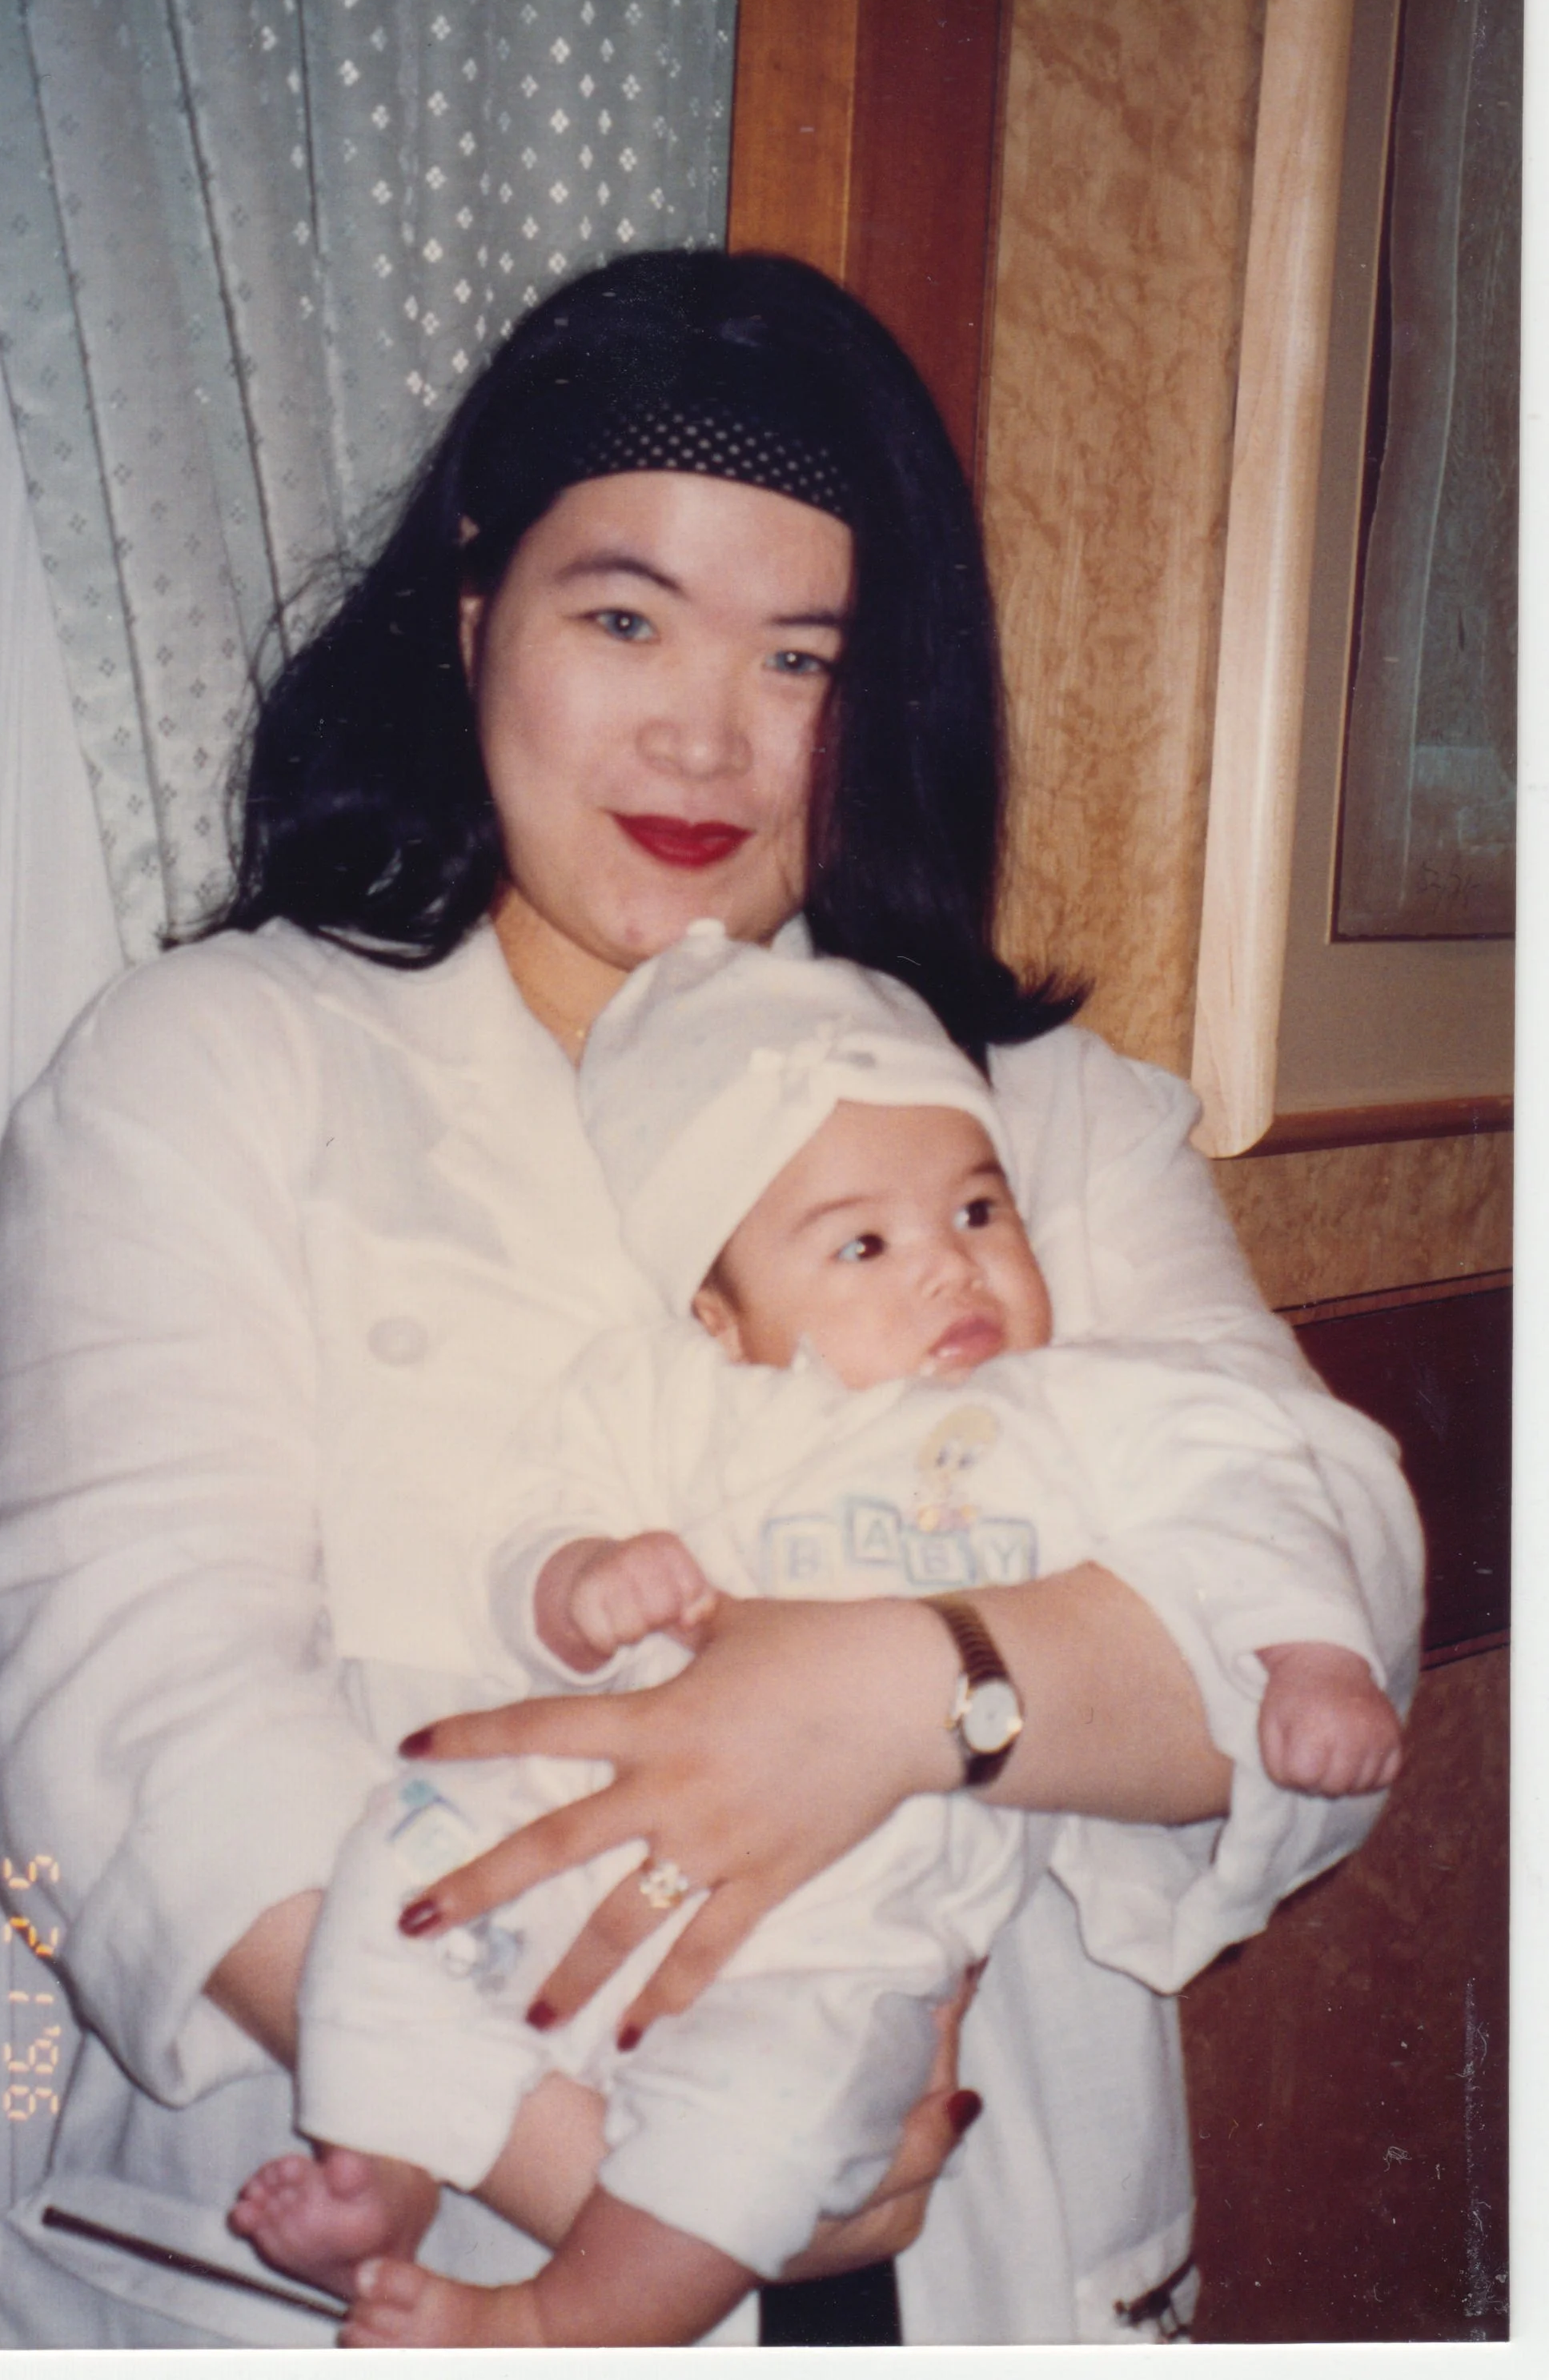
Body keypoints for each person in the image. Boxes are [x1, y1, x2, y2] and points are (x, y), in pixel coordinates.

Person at [0, 248, 1423, 2349]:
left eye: (798, 655)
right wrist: (629, 2191)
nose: (702, 730)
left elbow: (1321, 1576)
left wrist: (910, 1688)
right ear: (473, 620)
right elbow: (108, 1714)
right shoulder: (217, 1063)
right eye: (621, 614)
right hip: (408, 2249)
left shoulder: (1036, 1117)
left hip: (993, 2256)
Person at [228, 925, 1405, 2346]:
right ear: (719, 1315)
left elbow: (1247, 1485)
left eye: (979, 1213)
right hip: (604, 1828)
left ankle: (552, 2322)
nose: (947, 1273)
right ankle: (387, 2160)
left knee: (776, 2120)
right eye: (862, 1242)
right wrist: (574, 1578)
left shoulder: (1057, 1411)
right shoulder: (682, 1399)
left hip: (858, 1925)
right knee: (403, 1863)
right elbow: (524, 1517)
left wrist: (1311, 1654)